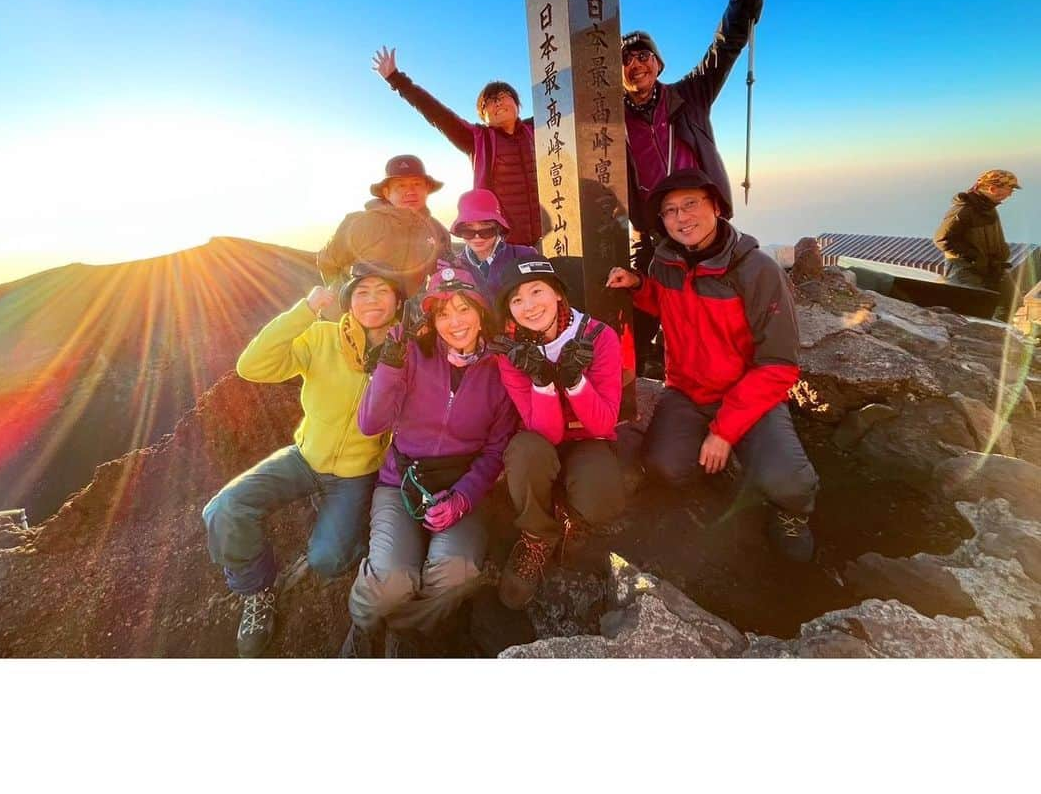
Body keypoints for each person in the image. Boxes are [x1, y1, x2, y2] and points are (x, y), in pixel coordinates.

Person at [606, 167, 818, 562]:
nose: (681, 217)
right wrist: (638, 287)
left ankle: (792, 513)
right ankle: (718, 469)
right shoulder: (665, 264)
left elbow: (779, 365)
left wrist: (723, 431)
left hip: (749, 395)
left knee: (786, 480)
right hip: (688, 391)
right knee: (665, 466)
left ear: (717, 207)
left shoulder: (757, 271)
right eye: (669, 211)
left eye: (690, 205)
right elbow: (668, 305)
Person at [202, 263, 404, 658]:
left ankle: (344, 525)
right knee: (224, 509)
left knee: (328, 560)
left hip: (356, 475)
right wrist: (305, 311)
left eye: (383, 291)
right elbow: (251, 366)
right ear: (347, 300)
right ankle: (257, 589)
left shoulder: (407, 353)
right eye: (362, 292)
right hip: (304, 457)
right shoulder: (323, 337)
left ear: (398, 300)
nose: (372, 300)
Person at [343, 263, 519, 657]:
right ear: (431, 319)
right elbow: (371, 424)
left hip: (463, 482)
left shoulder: (499, 366)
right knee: (390, 581)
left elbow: (495, 450)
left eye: (464, 308)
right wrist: (388, 362)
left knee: (457, 571)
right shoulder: (410, 353)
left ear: (480, 311)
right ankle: (364, 627)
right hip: (402, 481)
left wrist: (463, 497)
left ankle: (407, 635)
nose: (455, 322)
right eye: (443, 313)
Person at [622, 0, 771, 375]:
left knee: (712, 306)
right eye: (626, 59)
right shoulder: (609, 119)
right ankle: (647, 376)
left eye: (644, 54)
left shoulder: (690, 95)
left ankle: (725, 372)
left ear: (659, 64)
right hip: (654, 231)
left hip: (704, 225)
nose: (636, 63)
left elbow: (726, 46)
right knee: (642, 309)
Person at [490, 258, 624, 609]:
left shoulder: (598, 336)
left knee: (603, 497)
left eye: (537, 291)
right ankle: (537, 534)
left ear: (558, 294)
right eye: (516, 300)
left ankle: (574, 517)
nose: (529, 306)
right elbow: (544, 432)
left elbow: (603, 424)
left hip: (588, 439)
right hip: (542, 442)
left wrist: (575, 381)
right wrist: (542, 380)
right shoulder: (511, 352)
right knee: (524, 452)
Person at [371, 46, 542, 246]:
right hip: (502, 243)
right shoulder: (477, 139)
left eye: (503, 96)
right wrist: (397, 80)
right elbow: (437, 113)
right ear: (483, 115)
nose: (497, 103)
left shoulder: (539, 128)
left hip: (553, 234)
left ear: (517, 104)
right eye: (488, 102)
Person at [316, 154, 452, 304]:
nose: (410, 191)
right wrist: (342, 301)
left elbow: (443, 275)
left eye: (417, 184)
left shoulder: (438, 232)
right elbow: (327, 262)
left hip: (404, 322)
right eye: (401, 185)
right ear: (386, 193)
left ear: (427, 189)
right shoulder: (361, 223)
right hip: (354, 317)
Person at [934, 168, 1022, 320]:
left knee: (1012, 301)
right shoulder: (963, 210)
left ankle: (998, 334)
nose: (1010, 195)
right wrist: (974, 257)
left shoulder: (988, 208)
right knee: (975, 308)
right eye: (1009, 190)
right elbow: (942, 239)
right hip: (966, 269)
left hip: (992, 266)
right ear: (993, 189)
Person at [449, 188, 540, 304]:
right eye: (468, 231)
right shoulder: (454, 268)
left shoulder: (525, 256)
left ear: (498, 228)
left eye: (486, 230)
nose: (477, 237)